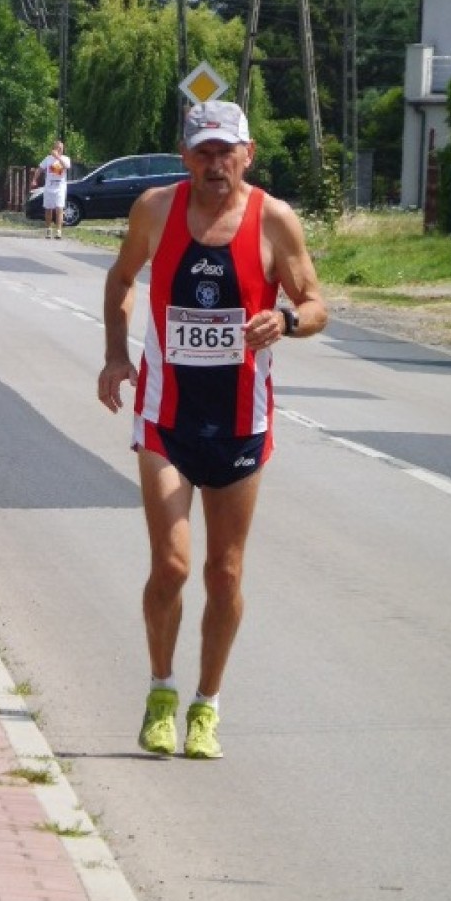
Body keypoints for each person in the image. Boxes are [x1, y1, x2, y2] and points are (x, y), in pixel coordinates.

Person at [97, 99, 328, 760]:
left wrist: (284, 322)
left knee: (224, 574)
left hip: (239, 423)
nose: (215, 163)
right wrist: (117, 354)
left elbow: (315, 303)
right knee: (171, 565)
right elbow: (120, 278)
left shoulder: (274, 221)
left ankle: (207, 704)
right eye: (203, 151)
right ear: (184, 156)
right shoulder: (156, 211)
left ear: (247, 155)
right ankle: (162, 692)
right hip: (165, 416)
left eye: (227, 151)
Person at [33, 139, 71, 238]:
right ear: (53, 148)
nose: (59, 150)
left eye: (61, 148)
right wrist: (34, 179)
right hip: (49, 186)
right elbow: (40, 169)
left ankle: (58, 230)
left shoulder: (65, 158)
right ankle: (48, 229)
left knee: (59, 208)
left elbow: (67, 166)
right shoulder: (48, 159)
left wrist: (58, 157)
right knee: (48, 209)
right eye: (57, 148)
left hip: (60, 187)